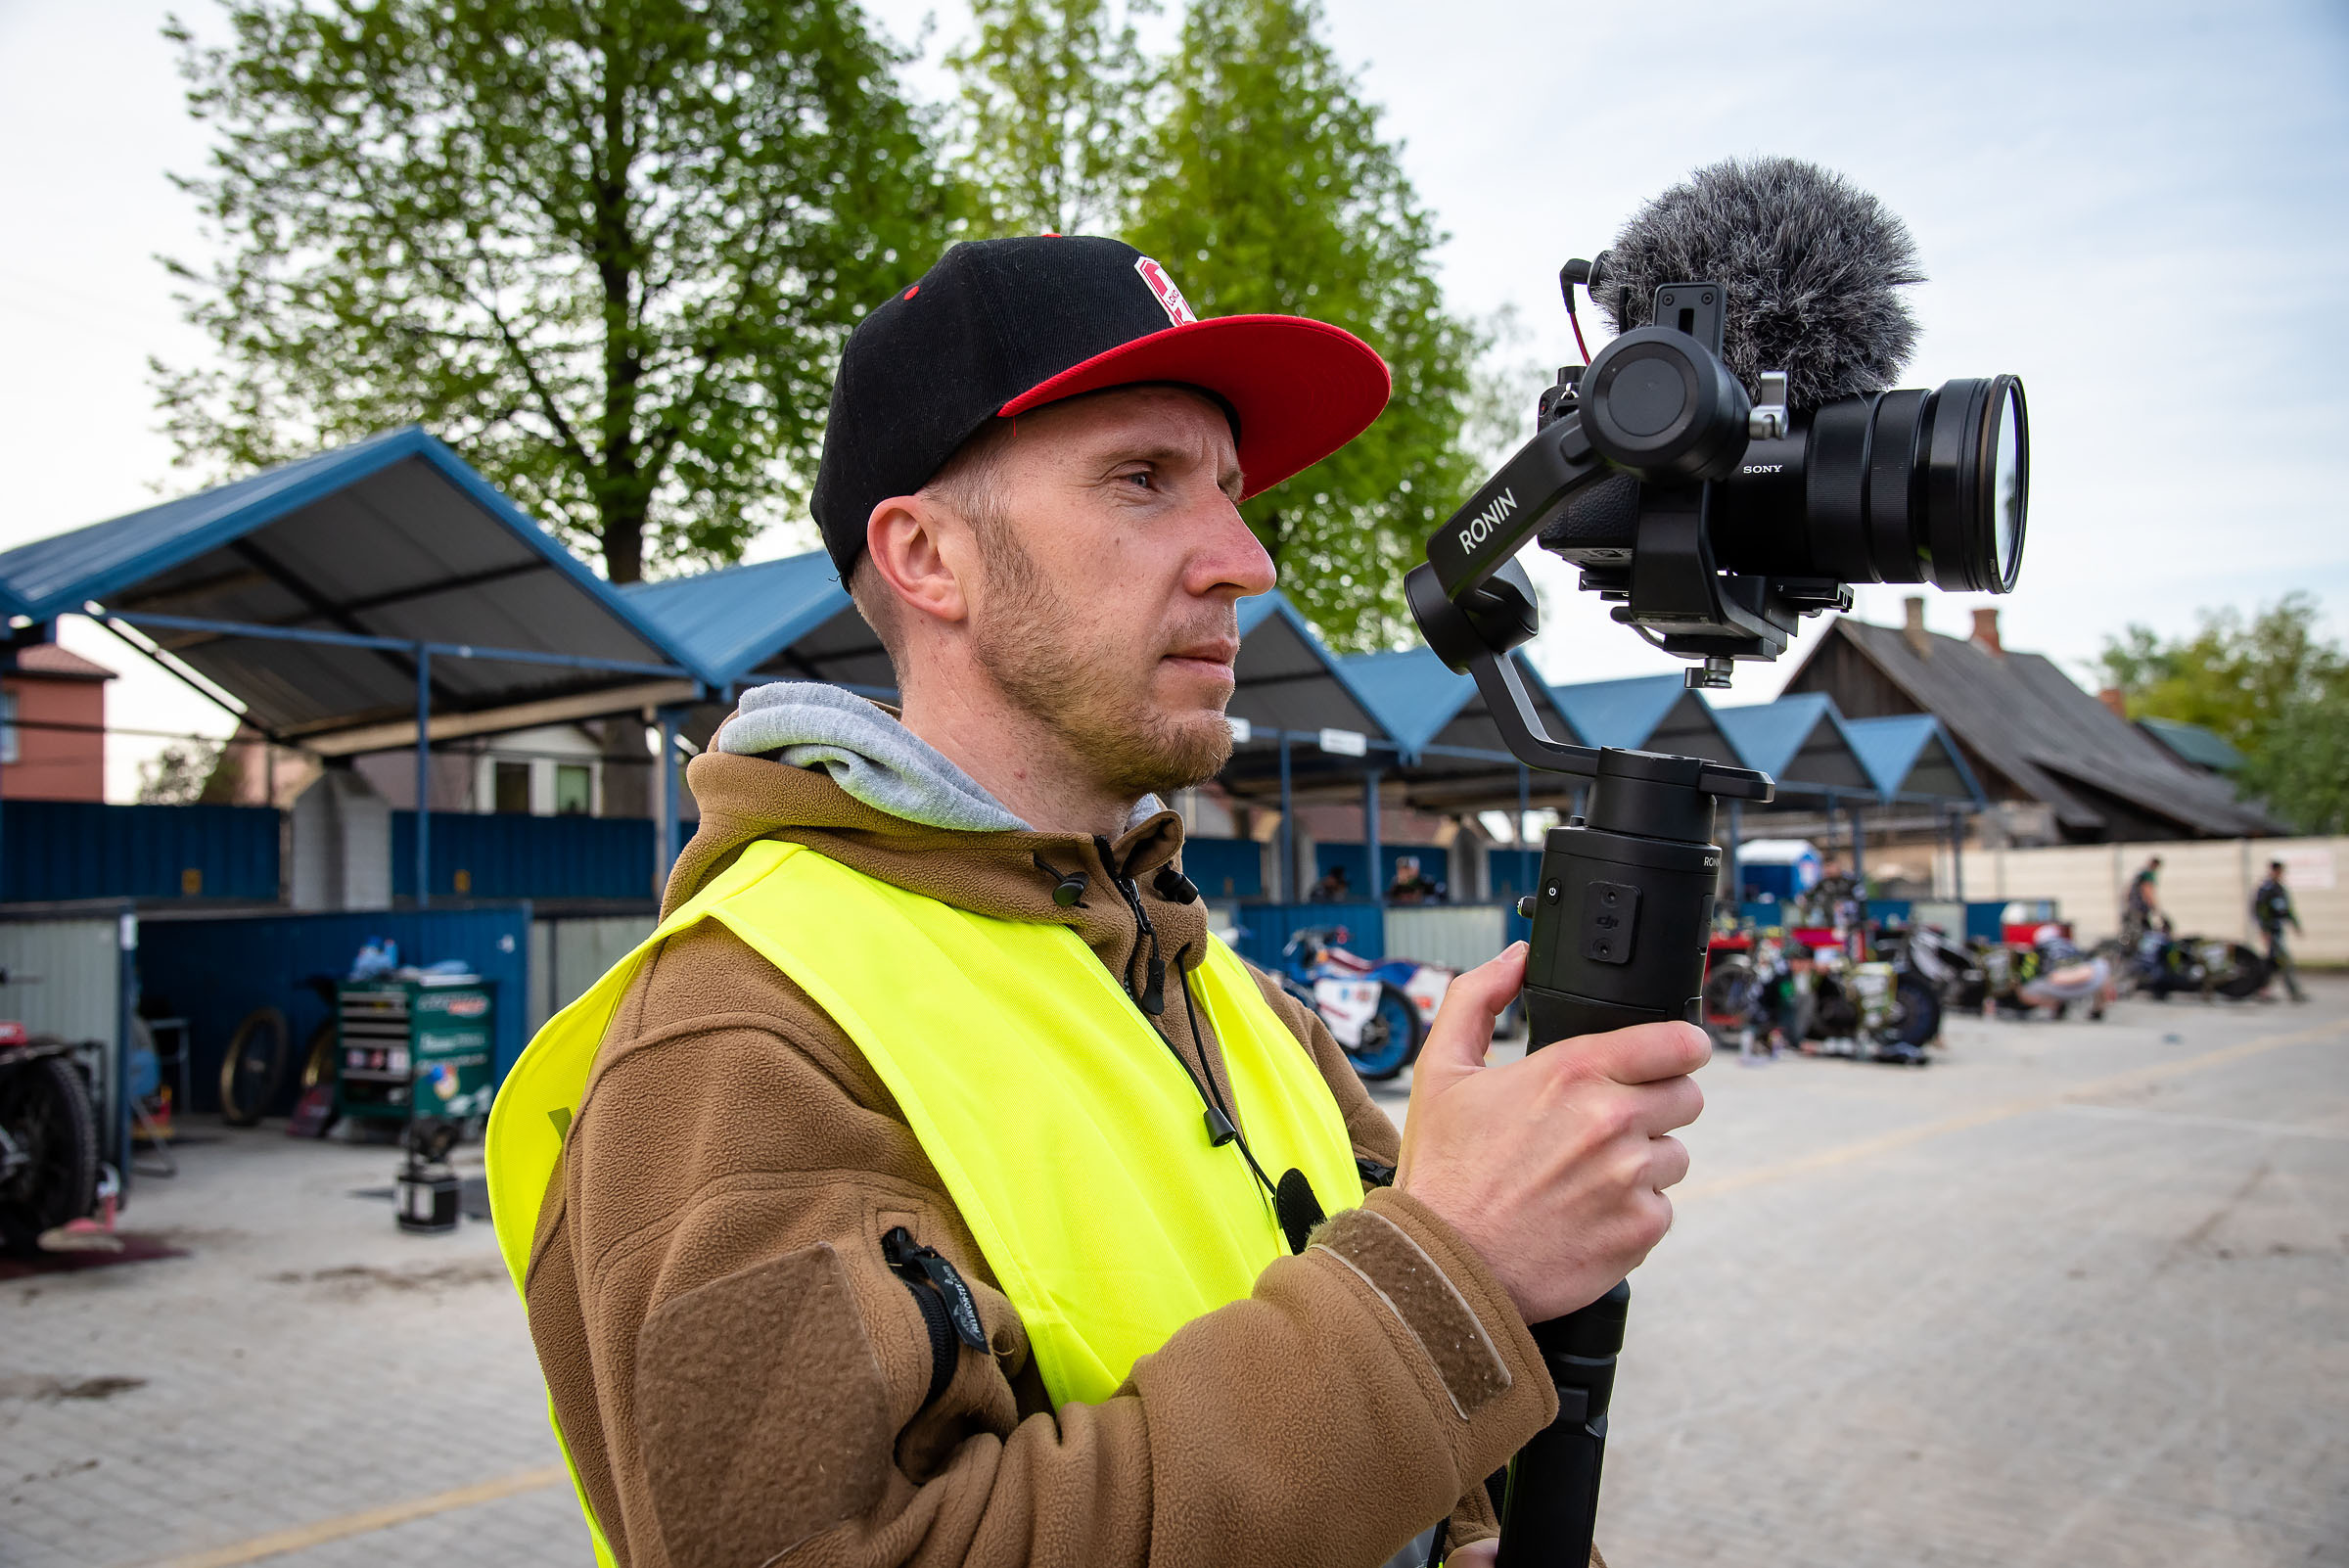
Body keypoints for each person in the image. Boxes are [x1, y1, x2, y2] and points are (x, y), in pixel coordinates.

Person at [485, 237, 1705, 1568]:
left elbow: (1407, 1438)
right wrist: (1447, 1271)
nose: (1246, 559)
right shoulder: (740, 1033)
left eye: (1235, 493)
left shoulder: (1239, 1002)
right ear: (927, 558)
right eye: (1143, 479)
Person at [2253, 858, 2307, 1003]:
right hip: (2271, 931)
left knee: (2272, 963)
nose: (2280, 874)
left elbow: (2287, 909)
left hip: (2278, 929)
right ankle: (2294, 992)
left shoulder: (2279, 888)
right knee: (2284, 961)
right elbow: (2259, 910)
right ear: (2273, 871)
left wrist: (2296, 925)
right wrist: (2264, 930)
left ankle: (2262, 991)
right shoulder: (2266, 889)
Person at [2123, 854, 2163, 944]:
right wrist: (2153, 905)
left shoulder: (2140, 873)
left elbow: (2128, 891)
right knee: (2145, 930)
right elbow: (2147, 890)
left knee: (2134, 928)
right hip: (2141, 906)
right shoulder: (2148, 875)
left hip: (2133, 905)